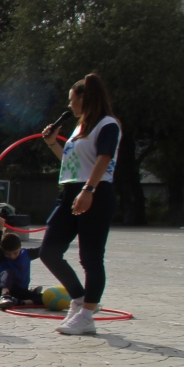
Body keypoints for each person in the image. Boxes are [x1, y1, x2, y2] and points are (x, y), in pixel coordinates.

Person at [40, 72, 120, 336]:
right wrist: (52, 143)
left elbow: (104, 159)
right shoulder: (79, 128)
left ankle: (87, 315)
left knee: (91, 257)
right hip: (70, 191)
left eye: (72, 100)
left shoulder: (107, 124)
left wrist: (89, 190)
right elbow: (72, 164)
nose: (69, 105)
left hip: (96, 192)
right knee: (49, 251)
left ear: (86, 99)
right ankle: (78, 298)